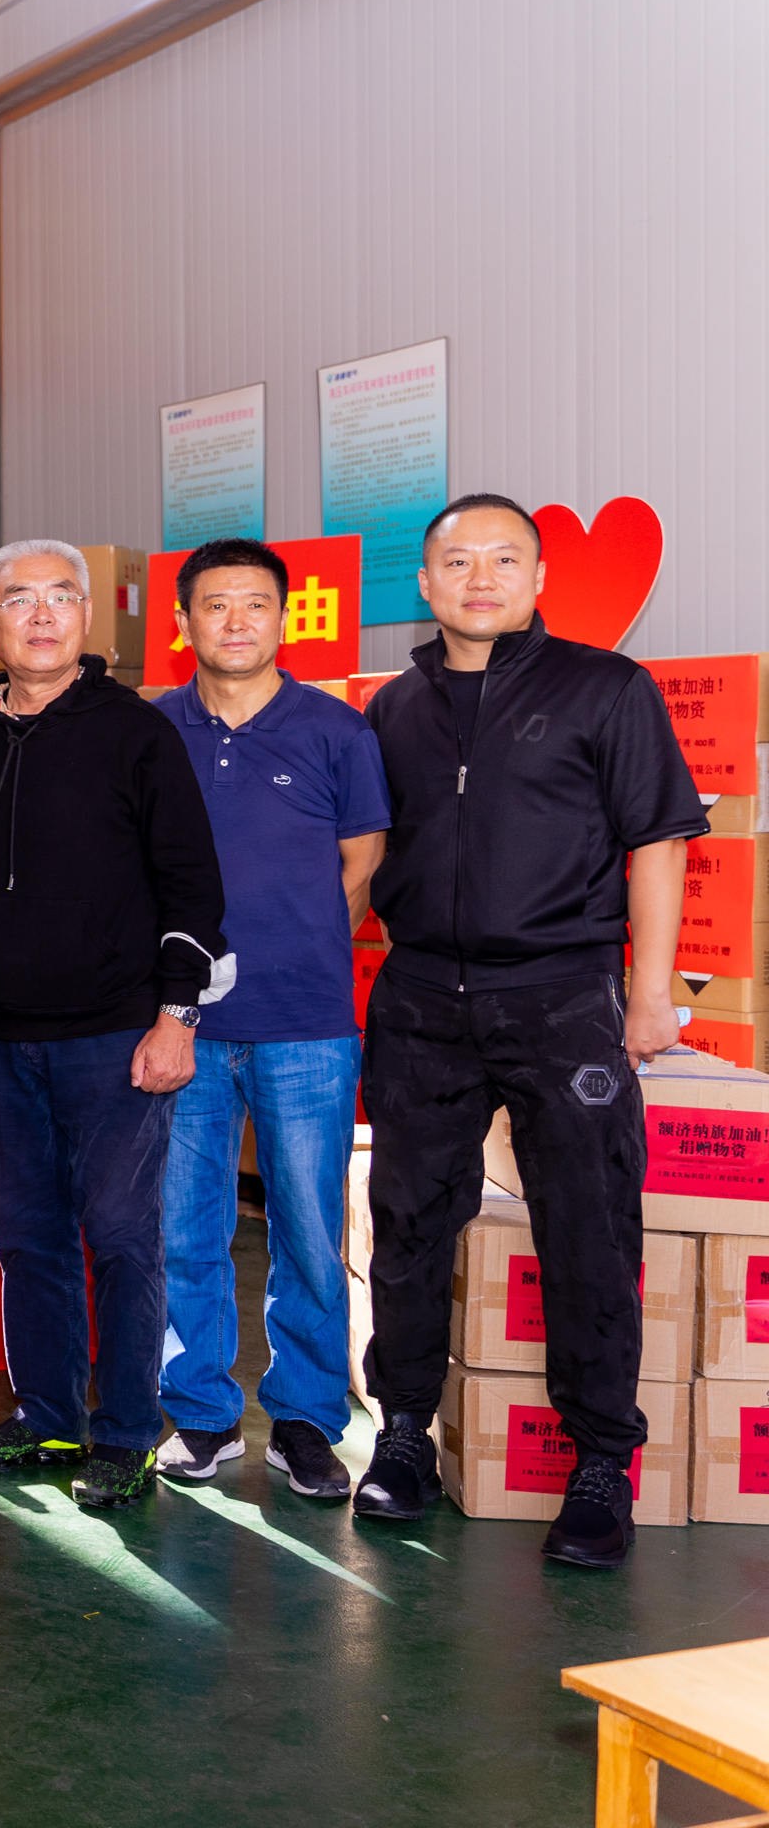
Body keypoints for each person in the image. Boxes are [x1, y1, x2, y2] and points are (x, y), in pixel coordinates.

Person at [352, 493, 705, 1569]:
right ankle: (404, 1433)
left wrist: (649, 993)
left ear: (540, 577)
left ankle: (601, 1463)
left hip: (562, 996)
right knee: (408, 1218)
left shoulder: (607, 687)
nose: (481, 578)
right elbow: (368, 853)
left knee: (589, 1225)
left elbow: (658, 842)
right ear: (425, 582)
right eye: (458, 561)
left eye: (504, 559)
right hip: (421, 995)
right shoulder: (392, 707)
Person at [0, 540, 228, 1511]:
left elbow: (193, 883)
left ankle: (128, 1431)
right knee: (28, 1236)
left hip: (116, 1034)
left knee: (120, 1234)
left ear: (87, 616)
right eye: (18, 598)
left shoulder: (137, 732)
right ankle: (49, 1415)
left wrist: (176, 1016)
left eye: (60, 596)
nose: (41, 615)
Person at [149, 539, 389, 1501]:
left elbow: (361, 864)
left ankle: (305, 1419)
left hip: (306, 1023)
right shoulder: (151, 728)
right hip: (181, 1023)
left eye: (255, 603)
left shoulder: (336, 730)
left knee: (307, 1229)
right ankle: (201, 1414)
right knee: (184, 1227)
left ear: (285, 617)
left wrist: (300, 947)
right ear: (184, 623)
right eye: (216, 604)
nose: (237, 621)